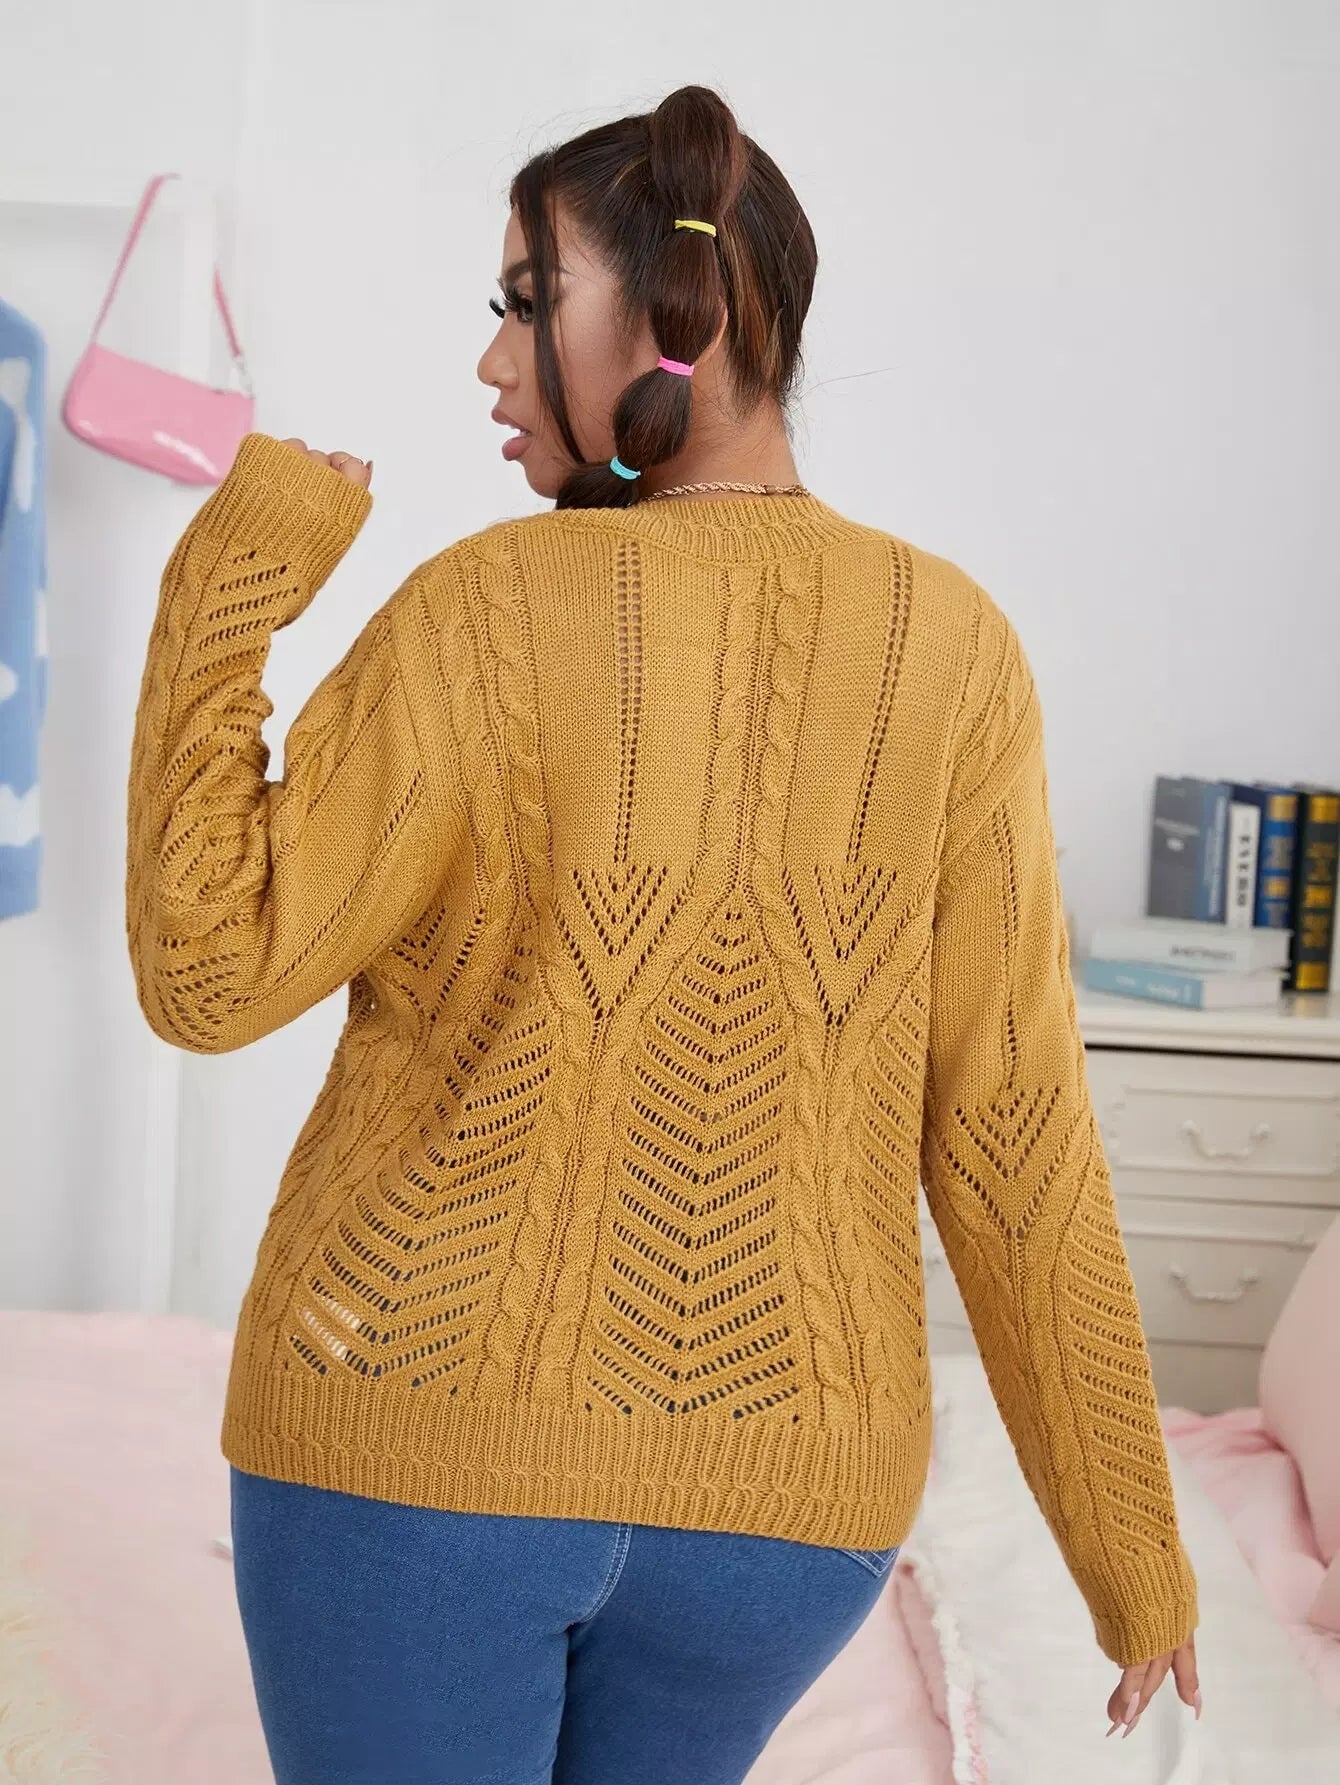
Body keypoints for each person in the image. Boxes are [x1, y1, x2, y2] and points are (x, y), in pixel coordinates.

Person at [126, 84, 1200, 1785]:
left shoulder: (487, 609)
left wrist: (232, 584)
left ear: (681, 313)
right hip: (790, 1514)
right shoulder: (957, 651)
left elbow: (206, 971)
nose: (493, 360)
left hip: (413, 1458)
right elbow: (1013, 1132)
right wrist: (1130, 1550)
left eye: (527, 302)